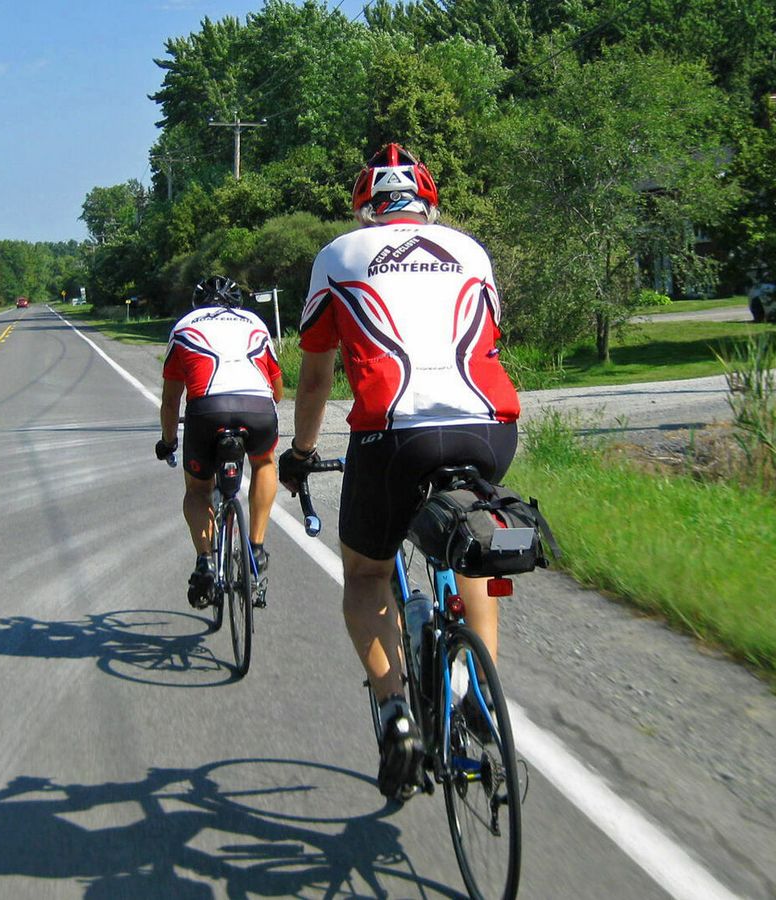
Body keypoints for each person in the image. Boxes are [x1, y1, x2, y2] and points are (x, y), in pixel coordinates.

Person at [278, 143, 521, 798]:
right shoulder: (470, 250)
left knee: (366, 573)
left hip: (393, 435)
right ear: (429, 206)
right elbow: (488, 337)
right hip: (489, 427)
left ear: (365, 209)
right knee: (473, 553)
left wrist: (301, 452)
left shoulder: (338, 256)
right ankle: (480, 695)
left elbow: (317, 376)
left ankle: (395, 715)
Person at [156, 275, 283, 608]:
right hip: (257, 408)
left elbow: (170, 401)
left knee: (198, 490)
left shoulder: (183, 327)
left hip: (207, 410)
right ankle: (256, 549)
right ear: (236, 304)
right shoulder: (255, 323)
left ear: (198, 304)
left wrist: (168, 442)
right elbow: (278, 392)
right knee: (264, 463)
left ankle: (205, 561)